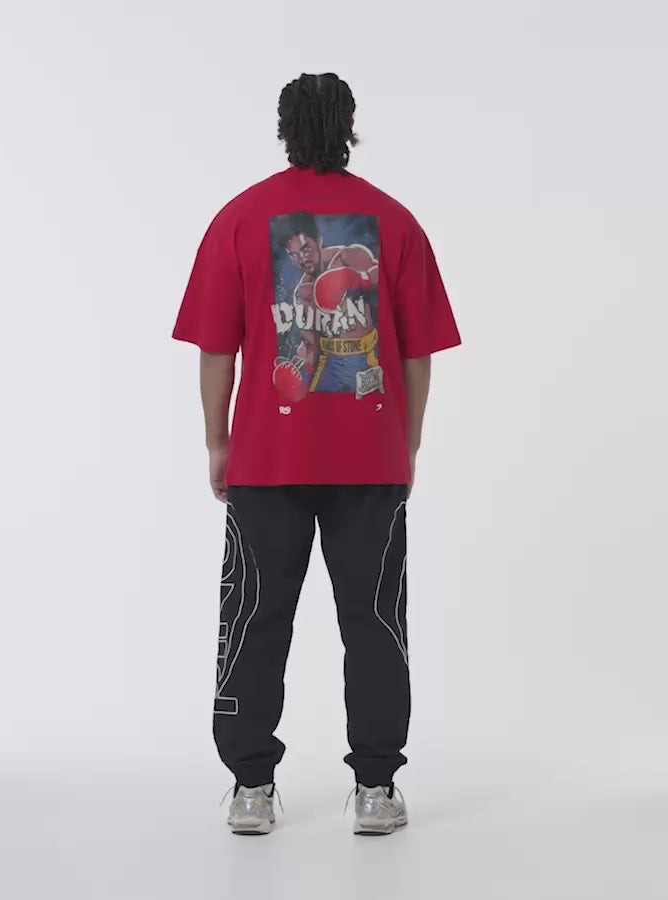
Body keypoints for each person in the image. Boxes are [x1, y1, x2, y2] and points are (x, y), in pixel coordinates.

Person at [172, 72, 461, 836]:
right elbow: (418, 356)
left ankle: (250, 788)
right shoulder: (396, 221)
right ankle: (376, 788)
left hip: (266, 464)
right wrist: (408, 442)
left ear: (285, 128)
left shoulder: (239, 217)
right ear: (349, 127)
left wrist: (217, 441)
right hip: (371, 463)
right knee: (374, 623)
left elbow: (216, 349)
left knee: (254, 618)